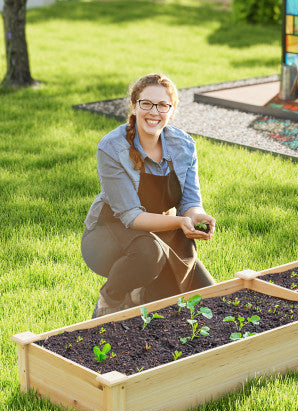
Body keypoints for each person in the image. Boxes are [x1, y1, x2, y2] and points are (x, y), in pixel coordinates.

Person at [81, 73, 216, 318]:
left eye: (163, 105)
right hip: (109, 233)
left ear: (171, 111)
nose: (154, 111)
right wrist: (179, 222)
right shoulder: (112, 147)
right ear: (134, 106)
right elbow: (131, 216)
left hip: (160, 228)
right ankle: (110, 299)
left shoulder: (183, 145)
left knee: (208, 298)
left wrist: (198, 217)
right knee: (149, 254)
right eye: (147, 103)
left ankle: (141, 295)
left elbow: (191, 201)